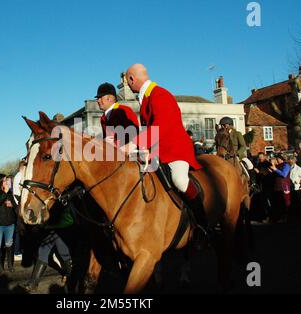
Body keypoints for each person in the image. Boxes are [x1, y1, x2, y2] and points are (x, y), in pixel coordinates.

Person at [123, 64, 207, 235]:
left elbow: (161, 127)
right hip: (157, 151)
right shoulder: (146, 97)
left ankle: (202, 224)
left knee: (179, 180)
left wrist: (134, 144)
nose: (128, 86)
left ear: (132, 79)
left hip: (175, 149)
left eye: (127, 82)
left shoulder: (159, 94)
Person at [219, 117, 258, 191]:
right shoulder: (222, 135)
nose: (223, 127)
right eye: (222, 126)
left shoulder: (237, 134)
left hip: (238, 156)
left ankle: (253, 184)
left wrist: (236, 153)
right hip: (225, 156)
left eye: (224, 125)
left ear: (230, 125)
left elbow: (243, 146)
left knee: (250, 165)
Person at [95, 82, 140, 147]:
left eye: (100, 97)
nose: (98, 101)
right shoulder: (103, 118)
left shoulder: (125, 110)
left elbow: (133, 134)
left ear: (110, 98)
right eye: (97, 98)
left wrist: (115, 144)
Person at [0, 174, 17, 273]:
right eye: (5, 180)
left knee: (9, 245)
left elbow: (15, 204)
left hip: (10, 223)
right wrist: (5, 192)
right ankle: (0, 267)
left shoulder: (10, 193)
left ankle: (10, 265)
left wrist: (12, 204)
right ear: (0, 181)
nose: (7, 182)